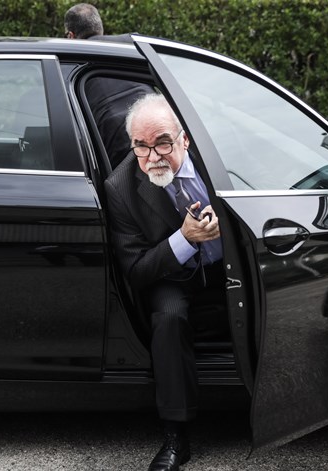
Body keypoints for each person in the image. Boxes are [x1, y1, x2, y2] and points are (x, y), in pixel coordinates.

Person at [104, 93, 223, 471]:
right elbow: (136, 270)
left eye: (163, 143)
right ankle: (176, 433)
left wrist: (227, 229)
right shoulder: (120, 187)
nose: (153, 157)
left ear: (184, 139)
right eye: (141, 146)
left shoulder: (215, 155)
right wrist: (185, 240)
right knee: (169, 319)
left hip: (228, 266)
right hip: (170, 273)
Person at [64, 3, 153, 168]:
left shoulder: (71, 62)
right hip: (158, 135)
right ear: (100, 28)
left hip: (118, 154)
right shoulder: (132, 44)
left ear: (71, 35)